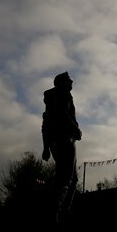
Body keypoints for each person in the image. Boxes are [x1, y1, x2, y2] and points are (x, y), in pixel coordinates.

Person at [41, 71, 82, 223]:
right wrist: (75, 129)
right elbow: (55, 120)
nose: (72, 82)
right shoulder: (60, 98)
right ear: (63, 83)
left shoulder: (59, 99)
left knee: (71, 178)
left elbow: (45, 125)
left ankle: (62, 213)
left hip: (63, 140)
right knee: (66, 178)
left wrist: (46, 147)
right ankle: (55, 214)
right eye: (69, 80)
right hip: (64, 140)